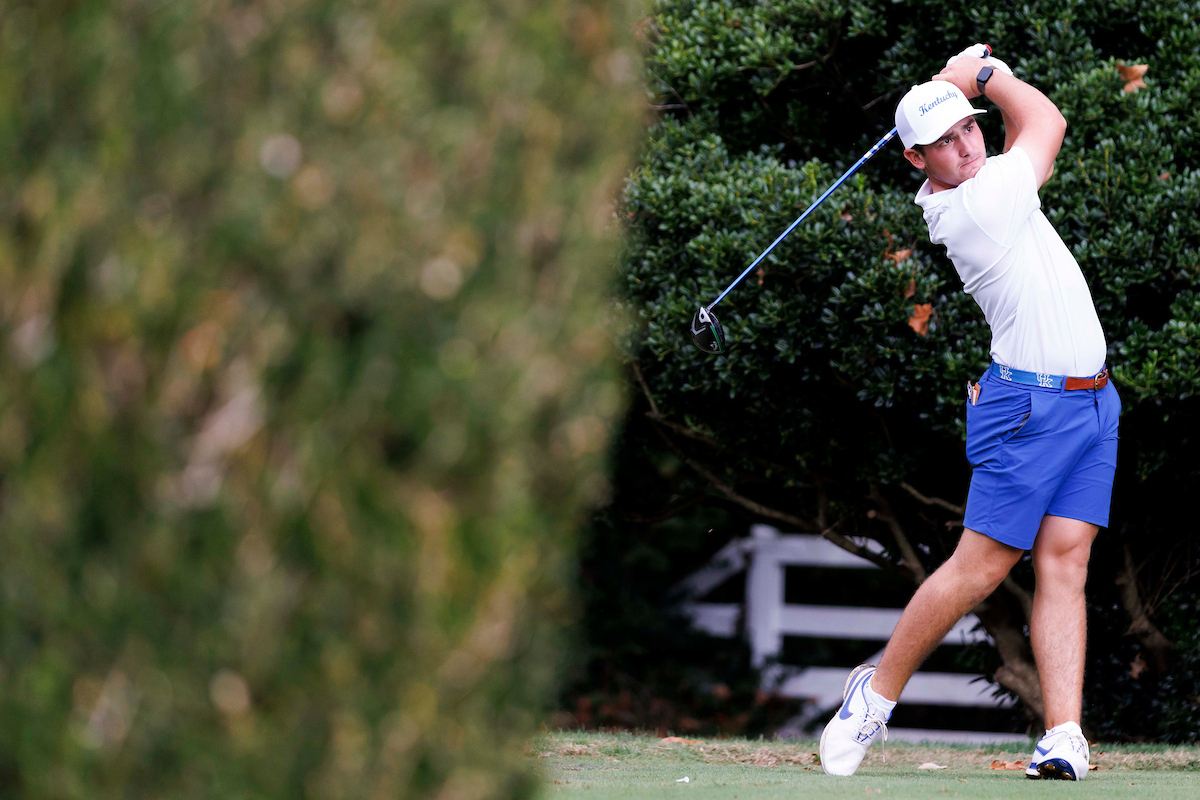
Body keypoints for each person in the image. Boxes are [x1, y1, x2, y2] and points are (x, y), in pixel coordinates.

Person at [819, 45, 1119, 781]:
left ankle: (1063, 735)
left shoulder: (994, 181)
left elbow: (1023, 138)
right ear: (915, 161)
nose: (964, 149)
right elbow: (1045, 119)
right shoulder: (976, 207)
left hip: (1090, 402)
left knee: (1065, 561)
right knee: (979, 569)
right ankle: (874, 695)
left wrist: (966, 90)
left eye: (969, 130)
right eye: (943, 144)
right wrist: (982, 77)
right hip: (1029, 409)